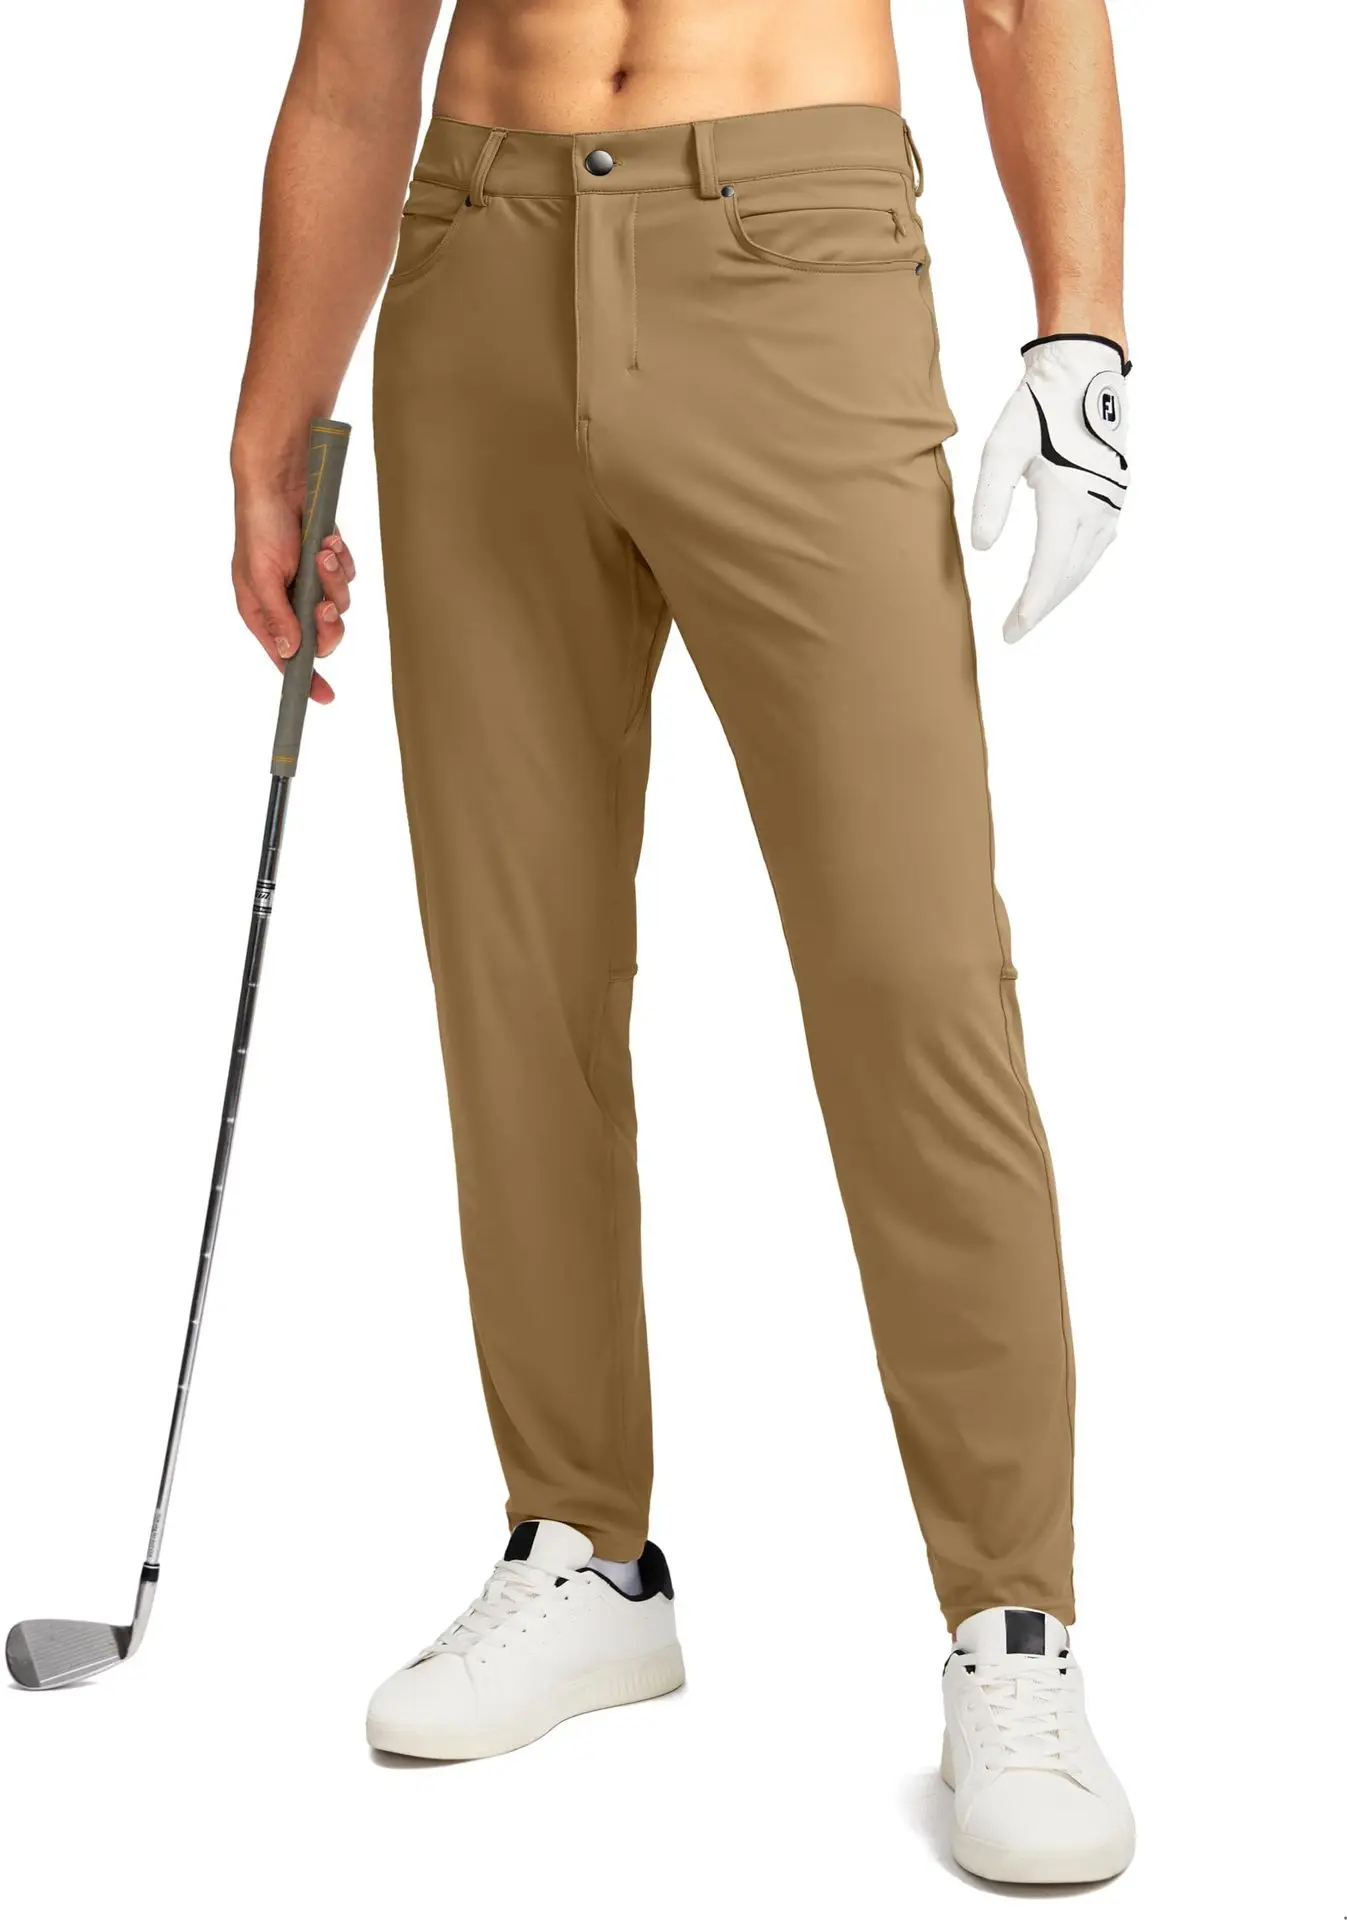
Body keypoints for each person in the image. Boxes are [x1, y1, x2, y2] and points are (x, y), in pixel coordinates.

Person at [231, 0, 1134, 1884]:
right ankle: (580, 1551)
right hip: (478, 256)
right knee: (515, 969)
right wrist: (272, 416)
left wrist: (1080, 332)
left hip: (792, 253)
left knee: (912, 976)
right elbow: (355, 60)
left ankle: (1011, 1629)